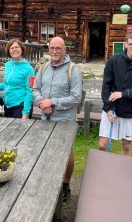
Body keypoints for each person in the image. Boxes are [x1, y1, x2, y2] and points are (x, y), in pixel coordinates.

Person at [32, 36, 82, 203]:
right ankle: (50, 182)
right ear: (48, 48)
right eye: (52, 48)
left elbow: (76, 98)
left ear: (64, 50)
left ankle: (65, 185)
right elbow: (35, 89)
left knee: (67, 154)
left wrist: (52, 102)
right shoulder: (44, 67)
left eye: (58, 48)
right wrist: (41, 102)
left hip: (64, 119)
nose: (54, 51)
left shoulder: (72, 70)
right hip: (45, 118)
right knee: (47, 151)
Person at [98, 31, 132, 155]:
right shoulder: (113, 61)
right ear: (126, 44)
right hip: (111, 109)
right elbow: (106, 85)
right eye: (131, 44)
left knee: (126, 145)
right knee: (102, 145)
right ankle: (102, 169)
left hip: (130, 110)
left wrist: (124, 93)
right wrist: (108, 107)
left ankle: (122, 171)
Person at [0, 39, 35, 119]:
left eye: (17, 47)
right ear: (9, 51)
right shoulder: (8, 65)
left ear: (22, 49)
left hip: (20, 107)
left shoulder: (29, 69)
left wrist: (26, 112)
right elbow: (7, 84)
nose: (14, 49)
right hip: (7, 105)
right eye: (12, 48)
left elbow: (31, 91)